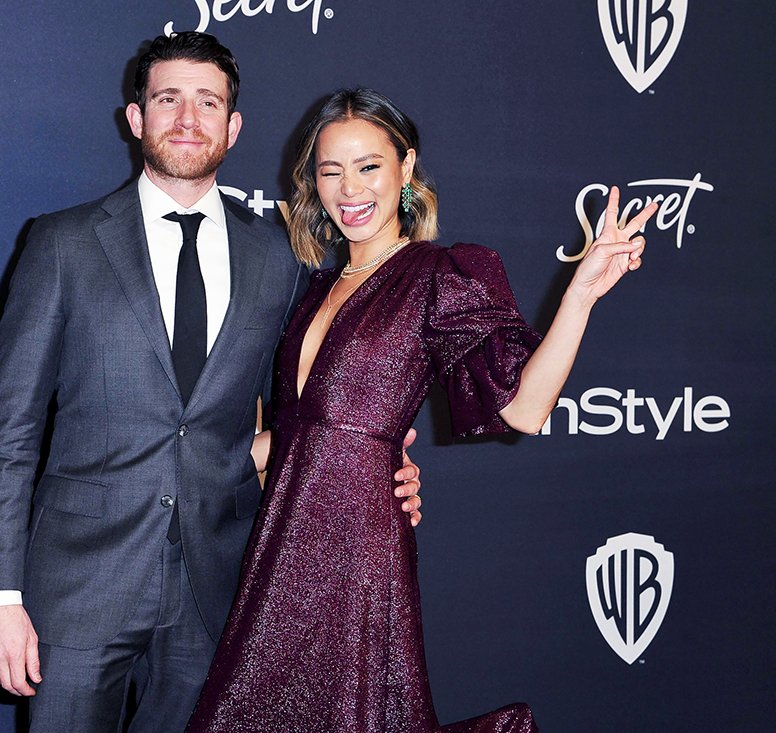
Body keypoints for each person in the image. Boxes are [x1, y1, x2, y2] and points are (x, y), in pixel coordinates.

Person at [0, 37, 423, 733]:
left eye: (208, 101)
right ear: (135, 118)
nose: (187, 118)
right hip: (79, 588)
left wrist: (374, 463)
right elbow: (8, 433)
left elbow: (311, 408)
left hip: (220, 589)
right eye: (167, 99)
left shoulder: (281, 257)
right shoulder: (62, 244)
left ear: (233, 126)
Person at [185, 88, 659, 732]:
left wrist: (580, 295)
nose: (349, 188)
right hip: (276, 551)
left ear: (406, 169)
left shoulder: (441, 275)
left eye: (369, 166)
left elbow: (524, 408)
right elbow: (292, 439)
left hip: (360, 557)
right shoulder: (310, 287)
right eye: (330, 170)